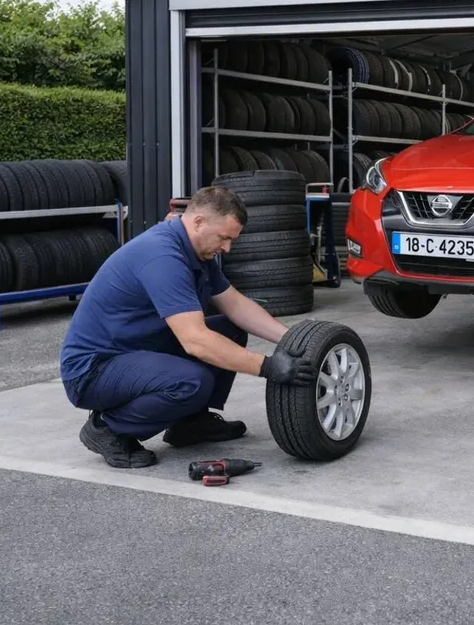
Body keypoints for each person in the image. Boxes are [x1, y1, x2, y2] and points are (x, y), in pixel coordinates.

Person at [58, 185, 315, 469]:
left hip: (135, 349)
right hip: (94, 369)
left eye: (232, 240)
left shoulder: (197, 253)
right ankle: (108, 427)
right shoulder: (162, 256)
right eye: (224, 238)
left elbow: (236, 306)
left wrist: (293, 339)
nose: (227, 248)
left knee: (230, 329)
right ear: (198, 221)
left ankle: (191, 423)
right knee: (191, 381)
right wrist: (267, 366)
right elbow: (196, 341)